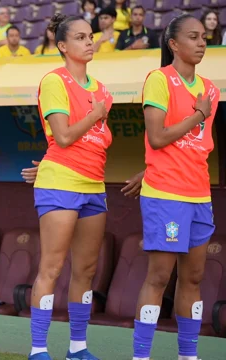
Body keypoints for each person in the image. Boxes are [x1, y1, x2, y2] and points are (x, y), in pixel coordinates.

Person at [132, 14, 218, 360]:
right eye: (194, 37)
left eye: (204, 37)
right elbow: (158, 137)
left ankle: (188, 355)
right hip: (166, 195)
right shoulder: (159, 79)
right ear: (173, 44)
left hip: (200, 194)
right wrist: (198, 114)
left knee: (194, 279)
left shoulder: (210, 88)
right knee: (158, 278)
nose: (202, 43)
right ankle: (141, 356)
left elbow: (198, 145)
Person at [30, 14, 115, 360]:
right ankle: (38, 349)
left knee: (86, 270)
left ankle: (77, 347)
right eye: (80, 37)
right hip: (60, 182)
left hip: (94, 186)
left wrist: (98, 115)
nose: (89, 42)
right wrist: (95, 116)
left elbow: (98, 140)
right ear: (62, 46)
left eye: (91, 36)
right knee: (51, 267)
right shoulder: (54, 81)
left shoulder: (103, 91)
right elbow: (63, 136)